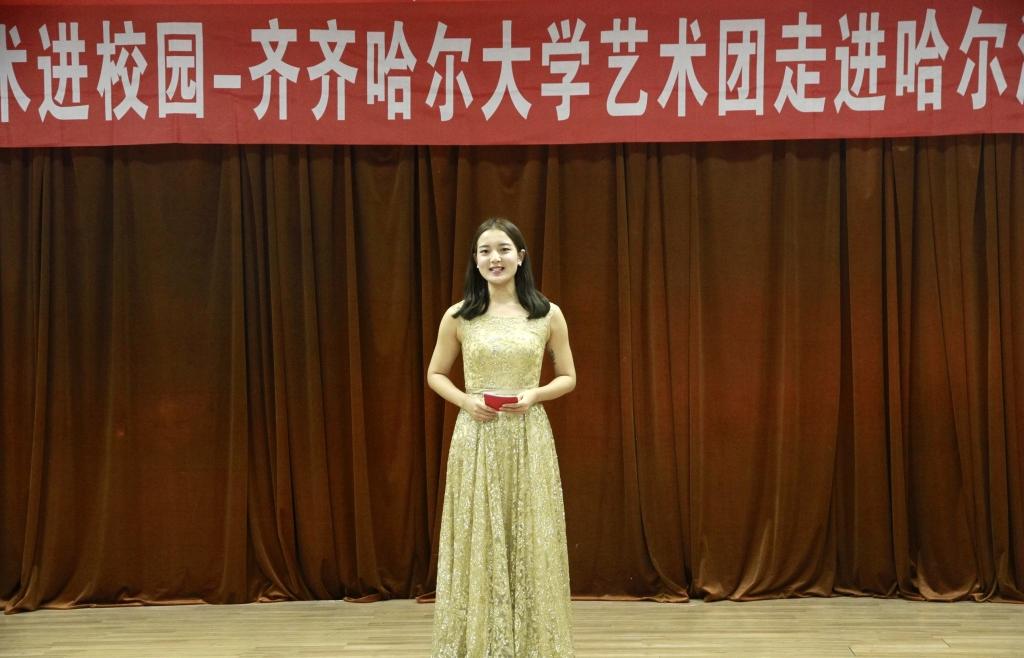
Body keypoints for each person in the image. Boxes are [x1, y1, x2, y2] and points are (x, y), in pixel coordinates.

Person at [427, 218, 576, 657]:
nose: (495, 258)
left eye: (504, 249)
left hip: (529, 436)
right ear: (475, 260)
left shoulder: (547, 314)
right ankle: (479, 642)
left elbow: (568, 377)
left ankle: (533, 644)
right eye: (485, 251)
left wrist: (536, 394)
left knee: (530, 533)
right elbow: (435, 373)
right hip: (477, 436)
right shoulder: (459, 316)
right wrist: (465, 401)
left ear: (521, 257)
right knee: (479, 534)